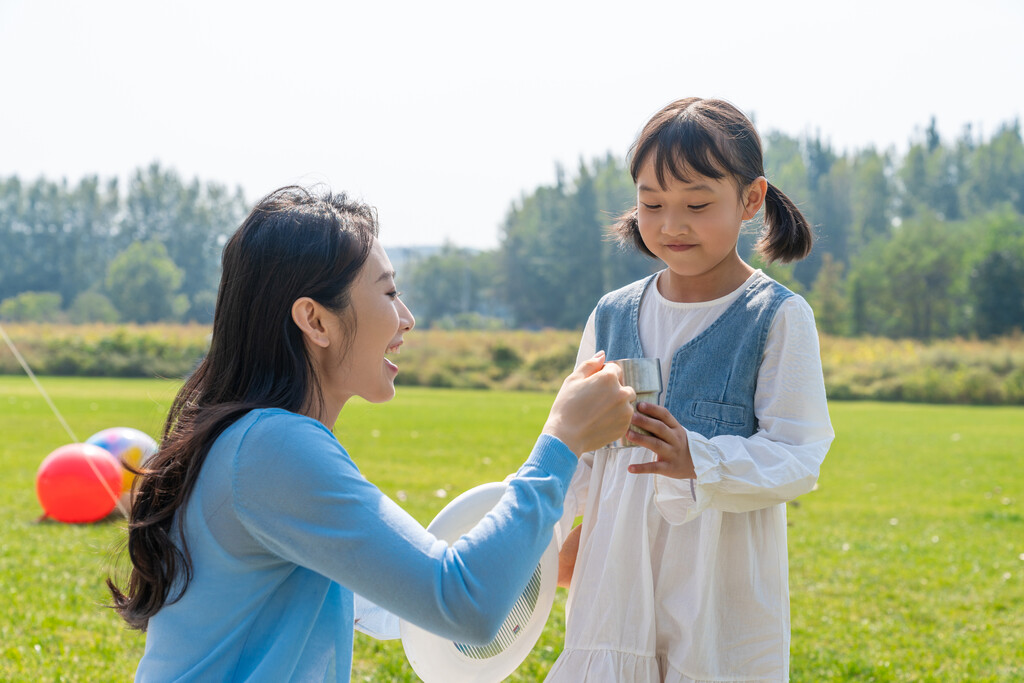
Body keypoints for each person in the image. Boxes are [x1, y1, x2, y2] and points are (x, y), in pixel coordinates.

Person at [106, 186, 635, 682]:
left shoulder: (250, 440)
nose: (406, 318)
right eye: (389, 292)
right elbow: (464, 603)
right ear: (315, 321)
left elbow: (394, 603)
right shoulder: (273, 447)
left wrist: (531, 561)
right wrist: (562, 439)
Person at [546, 98, 835, 682]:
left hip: (716, 587)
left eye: (697, 204)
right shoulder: (611, 313)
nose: (671, 224)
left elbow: (799, 456)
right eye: (652, 204)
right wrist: (540, 536)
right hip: (615, 583)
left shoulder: (776, 317)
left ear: (751, 199)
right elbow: (573, 444)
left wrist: (698, 460)